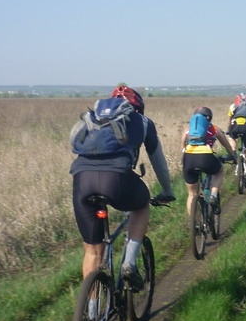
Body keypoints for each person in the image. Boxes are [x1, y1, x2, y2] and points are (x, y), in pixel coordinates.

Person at [70, 85, 175, 289]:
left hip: (82, 180)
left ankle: (91, 305)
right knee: (141, 206)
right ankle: (129, 264)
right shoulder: (143, 122)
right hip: (116, 179)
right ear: (138, 107)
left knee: (92, 251)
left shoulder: (93, 119)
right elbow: (158, 160)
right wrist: (167, 190)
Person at [181, 107, 235, 218]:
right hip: (206, 157)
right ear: (209, 118)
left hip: (188, 159)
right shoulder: (214, 129)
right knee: (218, 172)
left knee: (192, 194)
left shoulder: (187, 129)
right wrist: (232, 156)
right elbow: (227, 146)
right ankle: (213, 195)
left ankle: (193, 223)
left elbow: (183, 147)